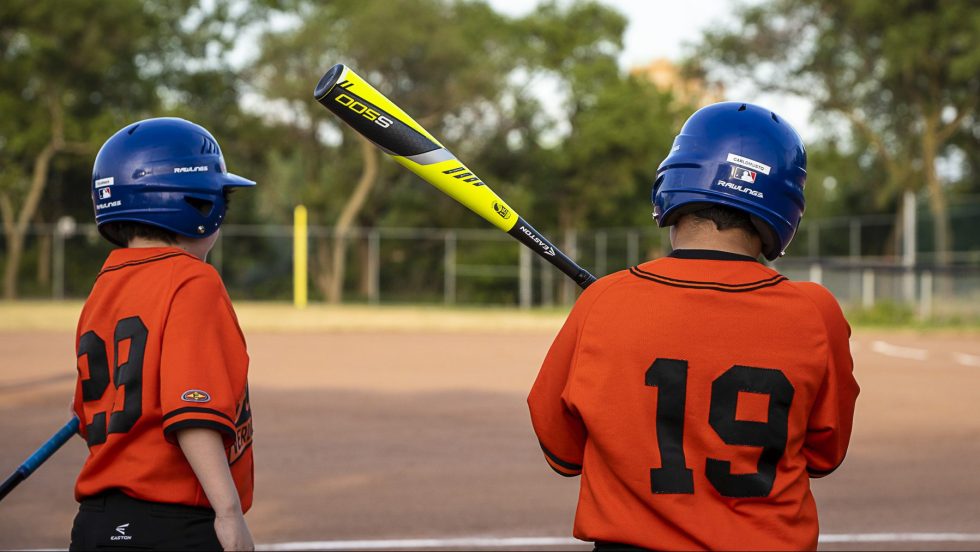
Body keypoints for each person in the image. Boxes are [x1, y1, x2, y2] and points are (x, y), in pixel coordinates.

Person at [528, 102, 859, 551]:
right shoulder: (816, 311)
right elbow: (823, 455)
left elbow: (562, 452)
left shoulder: (603, 300)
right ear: (785, 205)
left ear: (674, 181)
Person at [69, 118, 256, 551]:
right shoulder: (193, 281)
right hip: (171, 525)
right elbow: (192, 412)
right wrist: (229, 515)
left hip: (96, 525)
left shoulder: (104, 286)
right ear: (198, 204)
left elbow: (86, 413)